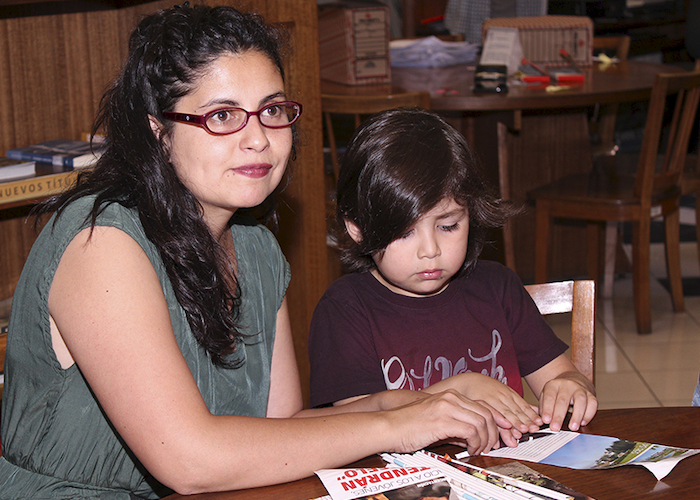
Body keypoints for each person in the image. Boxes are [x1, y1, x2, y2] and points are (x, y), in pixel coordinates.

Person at [0, 5, 516, 499]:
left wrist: (414, 402)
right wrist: (392, 425)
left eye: (271, 111)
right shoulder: (103, 241)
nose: (258, 140)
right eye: (222, 115)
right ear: (158, 131)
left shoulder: (257, 248)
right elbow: (190, 460)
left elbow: (282, 430)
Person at [308, 108, 598, 445]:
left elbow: (563, 376)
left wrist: (571, 387)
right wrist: (460, 387)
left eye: (448, 226)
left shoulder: (498, 287)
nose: (430, 250)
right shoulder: (345, 309)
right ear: (357, 228)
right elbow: (354, 425)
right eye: (404, 232)